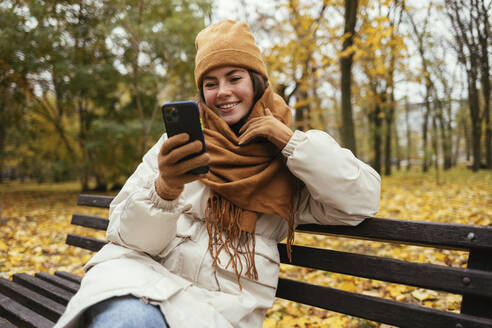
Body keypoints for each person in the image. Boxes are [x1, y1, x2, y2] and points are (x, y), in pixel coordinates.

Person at [55, 20, 380, 328]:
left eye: (234, 78)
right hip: (140, 283)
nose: (222, 91)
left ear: (256, 81)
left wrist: (288, 141)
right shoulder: (175, 146)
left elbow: (360, 200)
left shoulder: (290, 162)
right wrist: (165, 188)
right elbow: (126, 237)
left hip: (217, 311)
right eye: (211, 84)